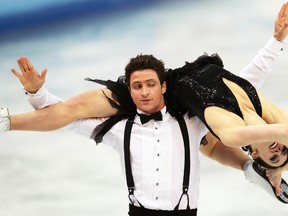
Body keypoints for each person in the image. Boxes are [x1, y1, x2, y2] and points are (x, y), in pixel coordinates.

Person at [0, 3, 288, 215]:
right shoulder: (122, 126)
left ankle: (253, 170)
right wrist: (36, 94)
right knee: (75, 108)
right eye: (137, 86)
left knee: (207, 142)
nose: (279, 148)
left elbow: (234, 110)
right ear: (131, 87)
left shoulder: (194, 119)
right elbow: (66, 117)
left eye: (275, 153)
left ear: (162, 86)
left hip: (186, 206)